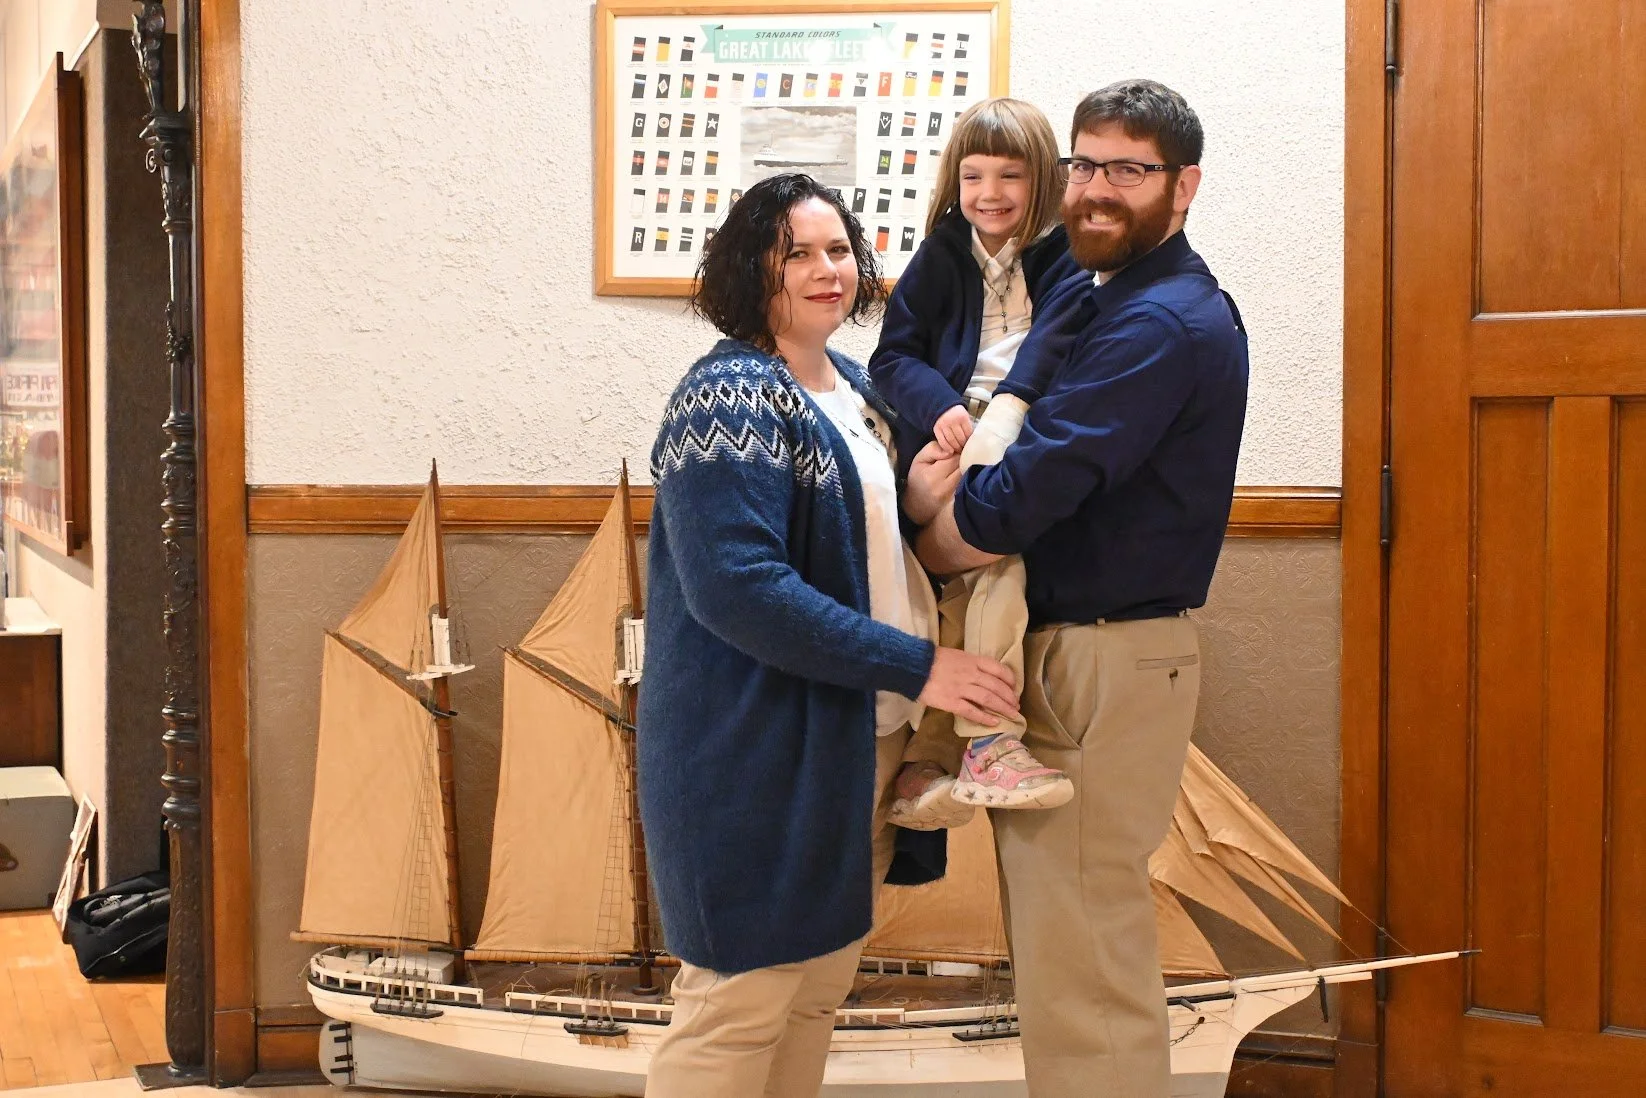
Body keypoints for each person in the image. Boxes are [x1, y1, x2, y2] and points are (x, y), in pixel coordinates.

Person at [638, 172, 1021, 1098]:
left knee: (815, 987)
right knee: (738, 1001)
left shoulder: (852, 388)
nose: (826, 270)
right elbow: (741, 590)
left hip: (858, 740)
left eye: (839, 249)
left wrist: (925, 495)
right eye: (796, 254)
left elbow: (870, 550)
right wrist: (922, 665)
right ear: (748, 269)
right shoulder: (728, 394)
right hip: (754, 751)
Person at [905, 80, 1250, 1098]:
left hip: (1101, 659)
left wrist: (924, 536)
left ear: (1182, 184)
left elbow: (1013, 501)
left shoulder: (1160, 326)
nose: (1096, 191)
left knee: (1083, 974)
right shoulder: (1101, 296)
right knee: (1065, 962)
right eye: (1085, 165)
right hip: (1068, 652)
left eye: (1127, 170)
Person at [868, 98, 1084, 829]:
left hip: (1020, 426)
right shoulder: (941, 253)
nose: (989, 193)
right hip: (946, 434)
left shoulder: (1066, 259)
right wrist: (940, 410)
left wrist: (1010, 412)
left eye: (1010, 176)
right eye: (973, 175)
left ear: (1044, 181)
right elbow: (892, 355)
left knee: (992, 570)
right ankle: (979, 741)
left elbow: (1058, 350)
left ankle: (945, 752)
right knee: (966, 578)